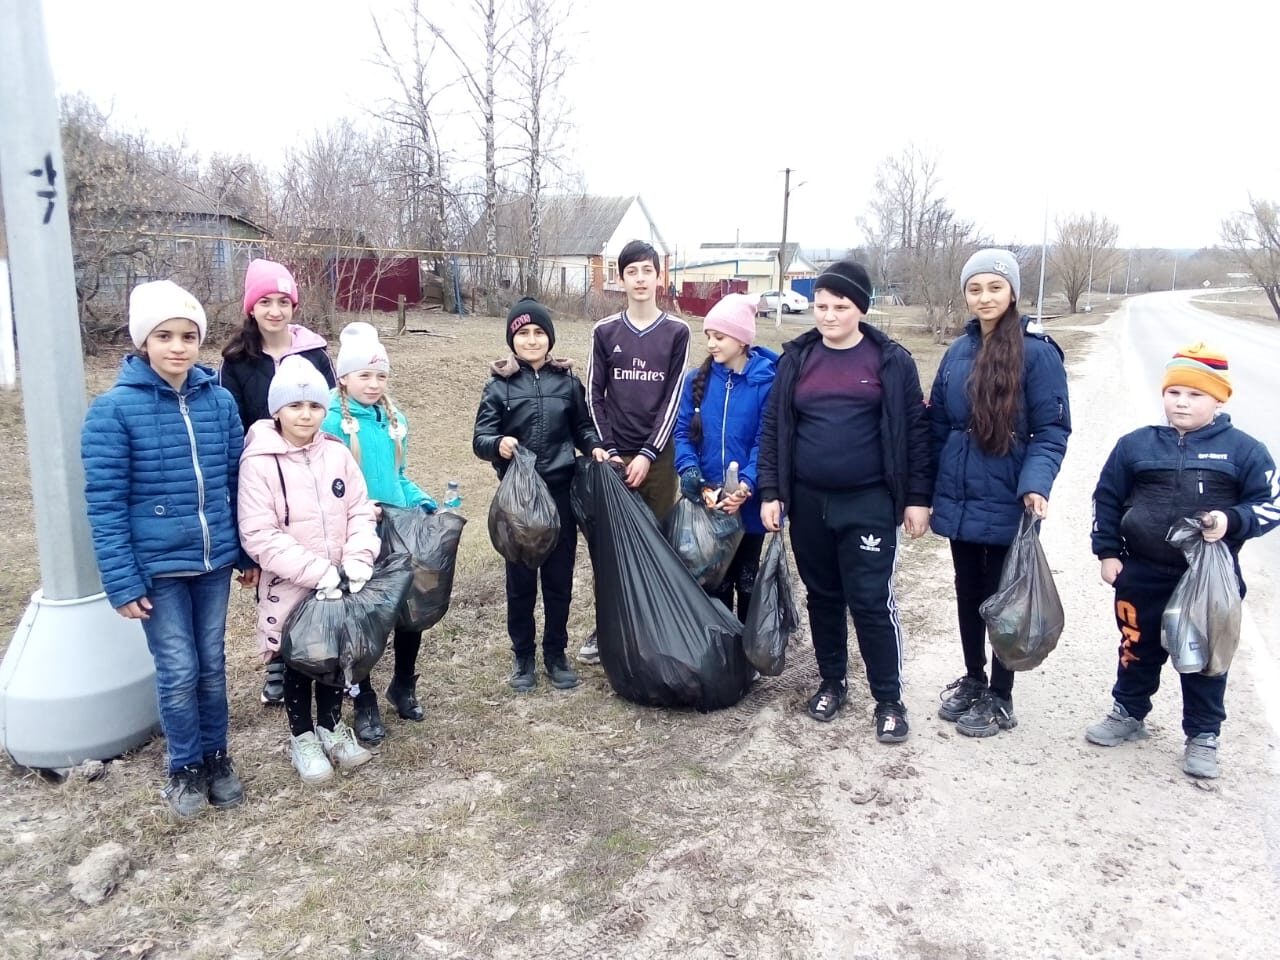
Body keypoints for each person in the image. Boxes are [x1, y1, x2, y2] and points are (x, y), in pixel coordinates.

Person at [81, 280, 247, 818]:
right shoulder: (113, 411)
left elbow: (234, 481)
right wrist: (122, 580)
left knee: (211, 664)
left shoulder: (219, 401)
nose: (178, 346)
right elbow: (105, 504)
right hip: (158, 569)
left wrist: (243, 550)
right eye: (164, 335)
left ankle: (217, 756)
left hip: (213, 561)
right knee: (177, 668)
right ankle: (185, 767)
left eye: (189, 335)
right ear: (142, 342)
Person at [757, 261, 932, 743]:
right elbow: (774, 429)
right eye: (821, 306)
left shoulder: (890, 361)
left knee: (872, 601)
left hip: (869, 501)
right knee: (824, 597)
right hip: (810, 503)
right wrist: (772, 492)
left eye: (840, 307)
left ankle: (889, 699)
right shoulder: (797, 359)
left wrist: (917, 498)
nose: (829, 316)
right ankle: (832, 682)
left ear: (861, 309)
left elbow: (915, 433)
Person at [1086, 344, 1278, 779]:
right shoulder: (1135, 446)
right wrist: (1108, 552)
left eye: (1195, 394)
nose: (1182, 402)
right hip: (1141, 572)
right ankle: (1129, 713)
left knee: (1205, 657)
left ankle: (1203, 735)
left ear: (1219, 399)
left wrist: (1231, 520)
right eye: (1174, 392)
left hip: (1209, 579)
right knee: (1136, 647)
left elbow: (1270, 506)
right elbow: (1107, 500)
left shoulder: (1244, 451)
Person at [928, 249, 1071, 737]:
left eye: (994, 287)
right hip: (960, 491)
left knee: (1003, 596)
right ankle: (973, 677)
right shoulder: (955, 352)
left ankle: (1002, 695)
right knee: (968, 590)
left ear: (1012, 291)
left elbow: (1052, 431)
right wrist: (923, 491)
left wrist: (1035, 484)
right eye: (975, 288)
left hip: (1008, 493)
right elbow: (937, 426)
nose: (984, 297)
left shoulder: (1038, 353)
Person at [238, 356, 381, 784]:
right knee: (300, 660)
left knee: (336, 656)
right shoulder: (260, 462)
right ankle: (302, 736)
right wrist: (316, 571)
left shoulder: (336, 453)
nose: (306, 415)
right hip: (293, 584)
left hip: (340, 579)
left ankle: (333, 726)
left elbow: (360, 508)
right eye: (296, 405)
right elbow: (259, 533)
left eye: (315, 406)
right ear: (276, 409)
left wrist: (358, 558)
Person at [473, 298, 608, 691]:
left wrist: (593, 445)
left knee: (559, 580)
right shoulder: (498, 386)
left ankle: (556, 654)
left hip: (561, 494)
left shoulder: (567, 382)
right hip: (518, 504)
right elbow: (479, 438)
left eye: (538, 333)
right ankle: (523, 659)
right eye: (522, 333)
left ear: (549, 338)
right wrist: (497, 444)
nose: (531, 340)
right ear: (512, 339)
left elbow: (583, 426)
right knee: (520, 583)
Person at [220, 258, 336, 707]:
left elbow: (332, 417)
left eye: (282, 301)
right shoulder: (236, 362)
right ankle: (277, 658)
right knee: (276, 569)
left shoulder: (314, 353)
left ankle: (324, 642)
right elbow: (234, 429)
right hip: (265, 476)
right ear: (251, 308)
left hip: (314, 471)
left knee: (318, 558)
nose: (274, 310)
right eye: (265, 301)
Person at [322, 322, 436, 745]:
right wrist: (355, 510)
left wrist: (424, 502)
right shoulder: (331, 422)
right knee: (364, 621)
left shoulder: (395, 420)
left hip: (397, 530)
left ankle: (403, 683)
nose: (373, 384)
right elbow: (328, 486)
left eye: (380, 375)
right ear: (344, 377)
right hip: (354, 537)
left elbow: (398, 476)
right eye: (364, 375)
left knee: (411, 611)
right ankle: (363, 699)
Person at [580, 239, 690, 663]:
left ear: (658, 276)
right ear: (620, 278)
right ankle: (606, 627)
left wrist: (648, 453)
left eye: (648, 270)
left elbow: (674, 398)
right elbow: (594, 394)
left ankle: (655, 628)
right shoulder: (605, 332)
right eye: (632, 272)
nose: (640, 279)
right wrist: (609, 449)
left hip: (658, 458)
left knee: (658, 541)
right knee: (609, 545)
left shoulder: (677, 332)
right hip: (613, 458)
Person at [672, 293, 778, 617]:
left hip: (749, 505)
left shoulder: (767, 383)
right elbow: (682, 434)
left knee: (746, 580)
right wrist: (691, 473)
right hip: (709, 501)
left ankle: (746, 655)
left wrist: (746, 485)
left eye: (719, 336)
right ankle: (717, 655)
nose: (711, 344)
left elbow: (766, 441)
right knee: (712, 582)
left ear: (742, 339)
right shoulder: (696, 381)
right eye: (708, 336)